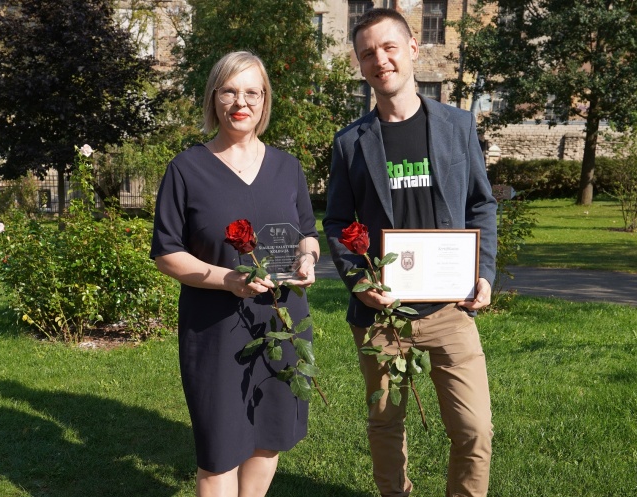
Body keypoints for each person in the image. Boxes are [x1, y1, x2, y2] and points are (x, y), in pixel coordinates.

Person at [322, 9, 497, 497]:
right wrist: (360, 281)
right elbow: (336, 221)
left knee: (474, 429)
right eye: (367, 53)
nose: (380, 59)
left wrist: (483, 272)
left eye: (389, 47)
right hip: (381, 316)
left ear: (413, 48)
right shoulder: (350, 143)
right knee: (385, 425)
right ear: (360, 65)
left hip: (450, 310)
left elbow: (481, 204)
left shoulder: (457, 125)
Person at [150, 51, 320, 497]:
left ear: (265, 100)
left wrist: (307, 258)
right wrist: (227, 279)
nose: (240, 102)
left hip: (281, 323)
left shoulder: (288, 167)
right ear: (214, 98)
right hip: (215, 329)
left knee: (269, 436)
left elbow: (307, 232)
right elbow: (167, 253)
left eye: (251, 92)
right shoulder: (186, 169)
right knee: (220, 450)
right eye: (229, 91)